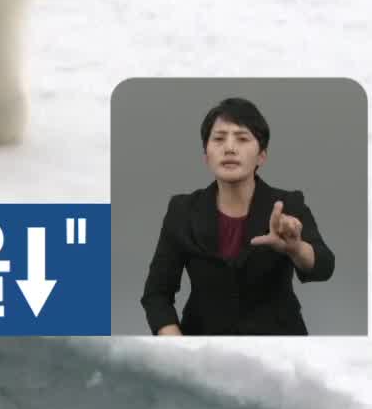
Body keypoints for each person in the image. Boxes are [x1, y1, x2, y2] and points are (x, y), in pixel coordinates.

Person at [140, 97, 335, 335]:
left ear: (262, 155)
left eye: (242, 139)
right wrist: (178, 346)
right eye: (219, 139)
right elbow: (156, 294)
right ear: (206, 155)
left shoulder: (286, 204)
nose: (230, 148)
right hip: (204, 346)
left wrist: (295, 248)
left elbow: (324, 265)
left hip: (278, 343)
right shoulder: (182, 210)